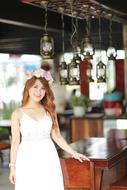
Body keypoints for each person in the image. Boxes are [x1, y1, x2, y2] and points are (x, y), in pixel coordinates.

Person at [9, 68, 89, 190]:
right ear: (28, 88)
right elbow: (15, 142)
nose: (39, 92)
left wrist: (73, 152)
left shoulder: (49, 110)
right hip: (26, 158)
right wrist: (12, 167)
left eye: (43, 88)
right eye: (35, 87)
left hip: (48, 155)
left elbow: (57, 136)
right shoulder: (17, 113)